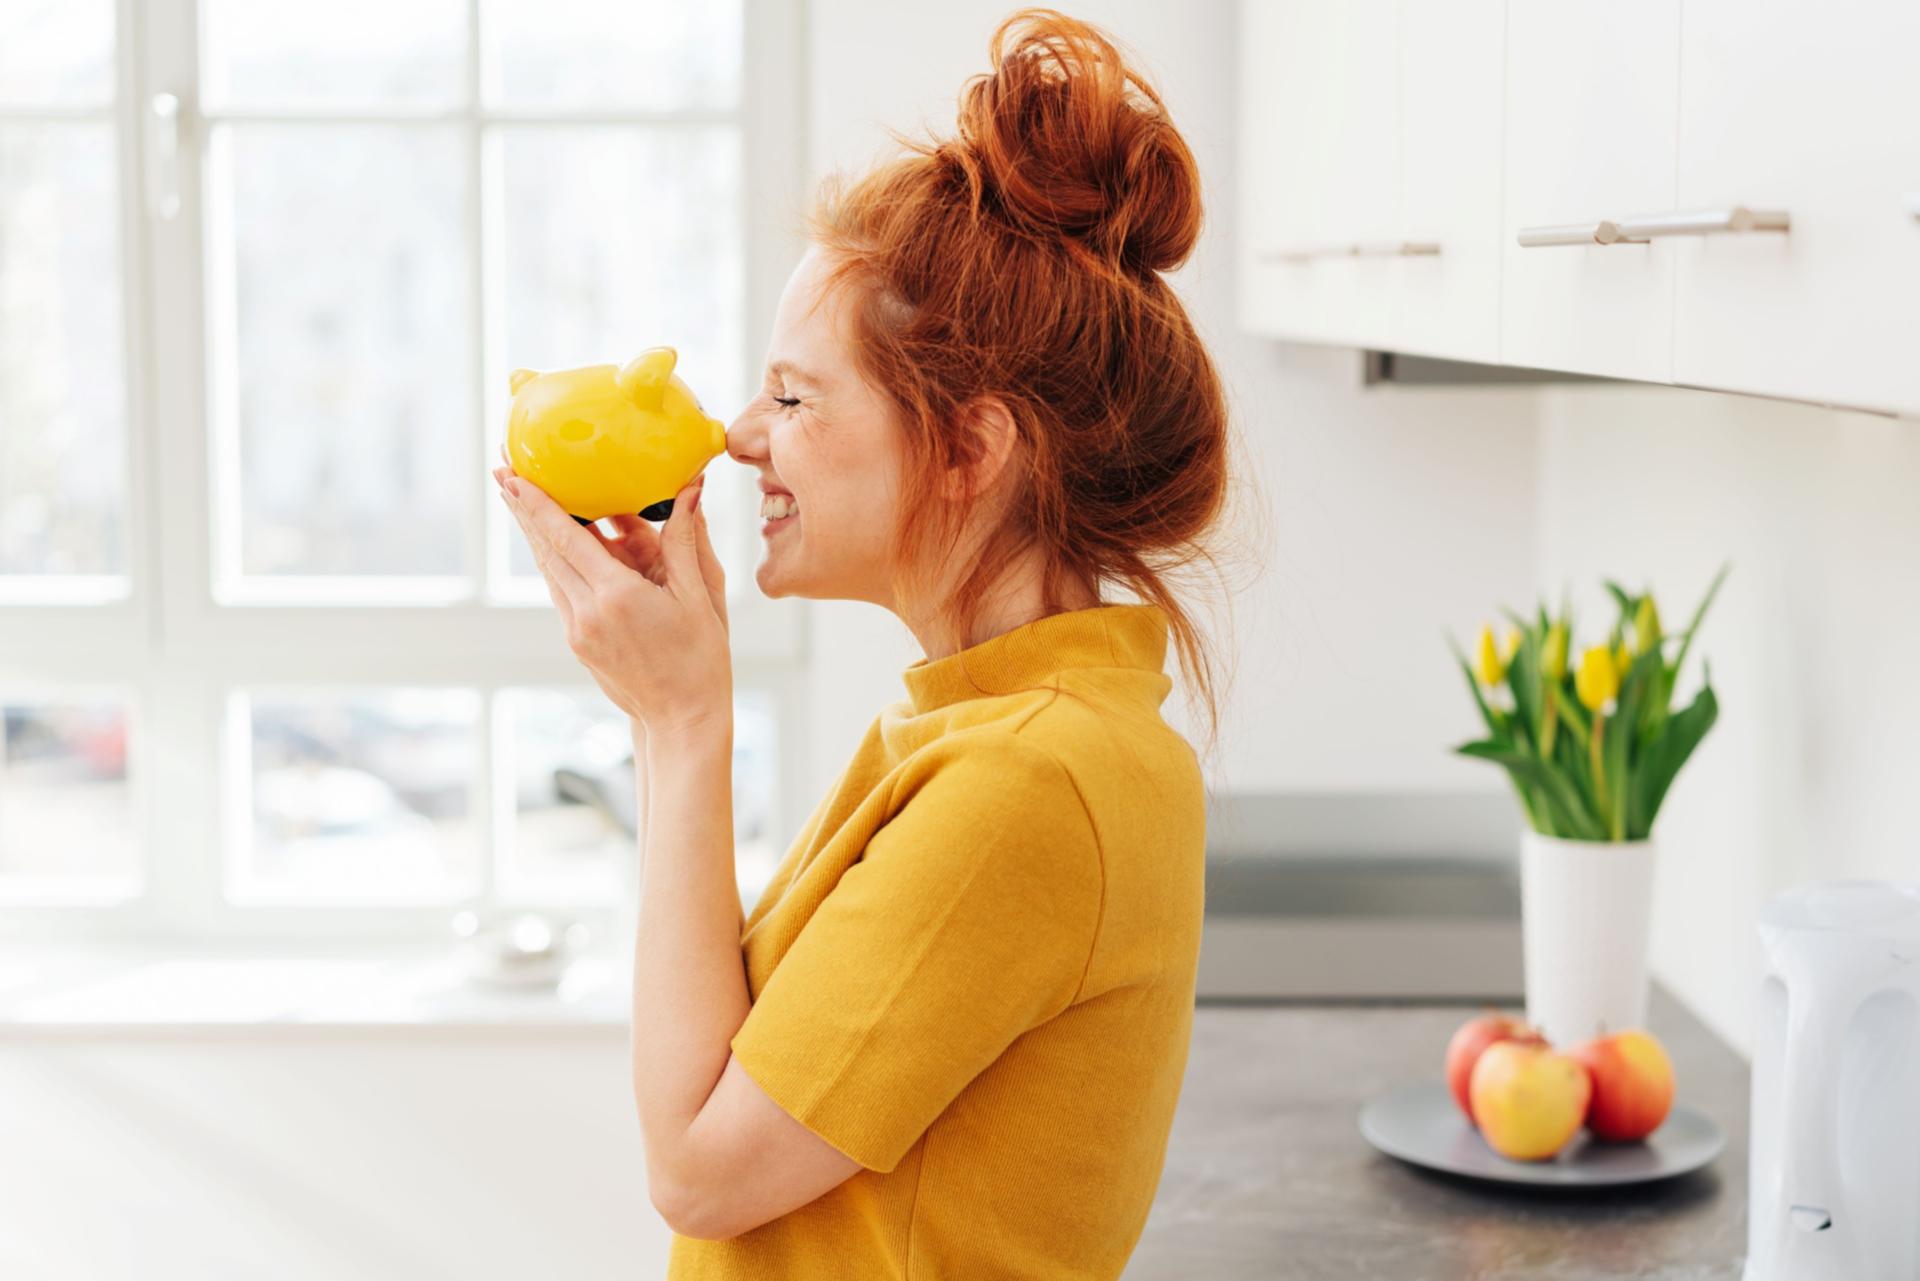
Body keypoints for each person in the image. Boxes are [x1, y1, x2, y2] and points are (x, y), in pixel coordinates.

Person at [495, 7, 1241, 1276]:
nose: (739, 434)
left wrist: (680, 724)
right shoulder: (992, 730)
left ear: (968, 449)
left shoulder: (1029, 784)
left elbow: (697, 1173)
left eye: (793, 395)